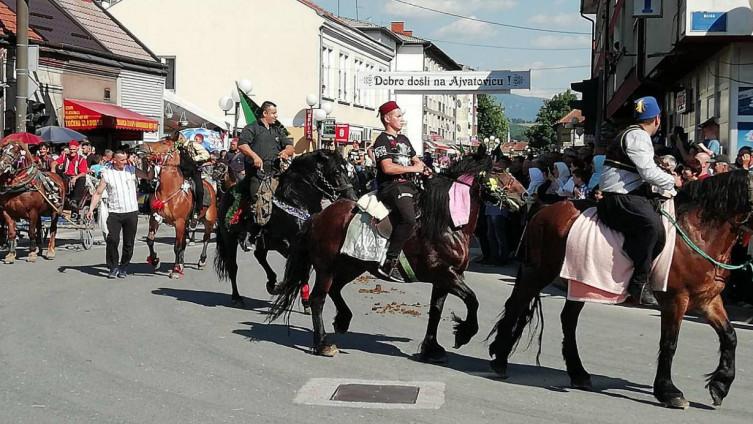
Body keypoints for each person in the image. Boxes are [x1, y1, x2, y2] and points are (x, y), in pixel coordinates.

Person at [598, 96, 681, 306]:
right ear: (657, 119)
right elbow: (648, 172)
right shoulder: (638, 136)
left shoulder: (632, 134)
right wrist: (674, 182)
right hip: (619, 198)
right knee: (652, 227)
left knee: (658, 224)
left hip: (625, 195)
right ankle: (639, 284)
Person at [372, 100, 429, 283]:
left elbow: (416, 161)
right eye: (398, 116)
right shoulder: (381, 140)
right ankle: (390, 262)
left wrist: (426, 169)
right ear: (387, 119)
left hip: (410, 185)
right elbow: (387, 168)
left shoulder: (404, 139)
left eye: (401, 116)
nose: (402, 120)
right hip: (392, 186)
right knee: (408, 218)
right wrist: (414, 169)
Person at [87, 151, 153, 279]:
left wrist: (151, 165)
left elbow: (148, 176)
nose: (125, 162)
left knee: (129, 243)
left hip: (131, 212)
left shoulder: (132, 170)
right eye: (122, 160)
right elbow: (98, 192)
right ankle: (113, 267)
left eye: (125, 159)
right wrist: (91, 209)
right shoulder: (107, 174)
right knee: (112, 240)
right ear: (114, 160)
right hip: (114, 212)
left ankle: (123, 266)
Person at [56, 140, 89, 210]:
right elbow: (54, 162)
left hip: (76, 177)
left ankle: (75, 200)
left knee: (82, 179)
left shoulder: (81, 159)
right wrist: (53, 169)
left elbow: (83, 172)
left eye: (74, 149)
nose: (72, 151)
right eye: (70, 149)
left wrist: (75, 178)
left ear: (77, 149)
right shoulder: (65, 156)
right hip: (65, 176)